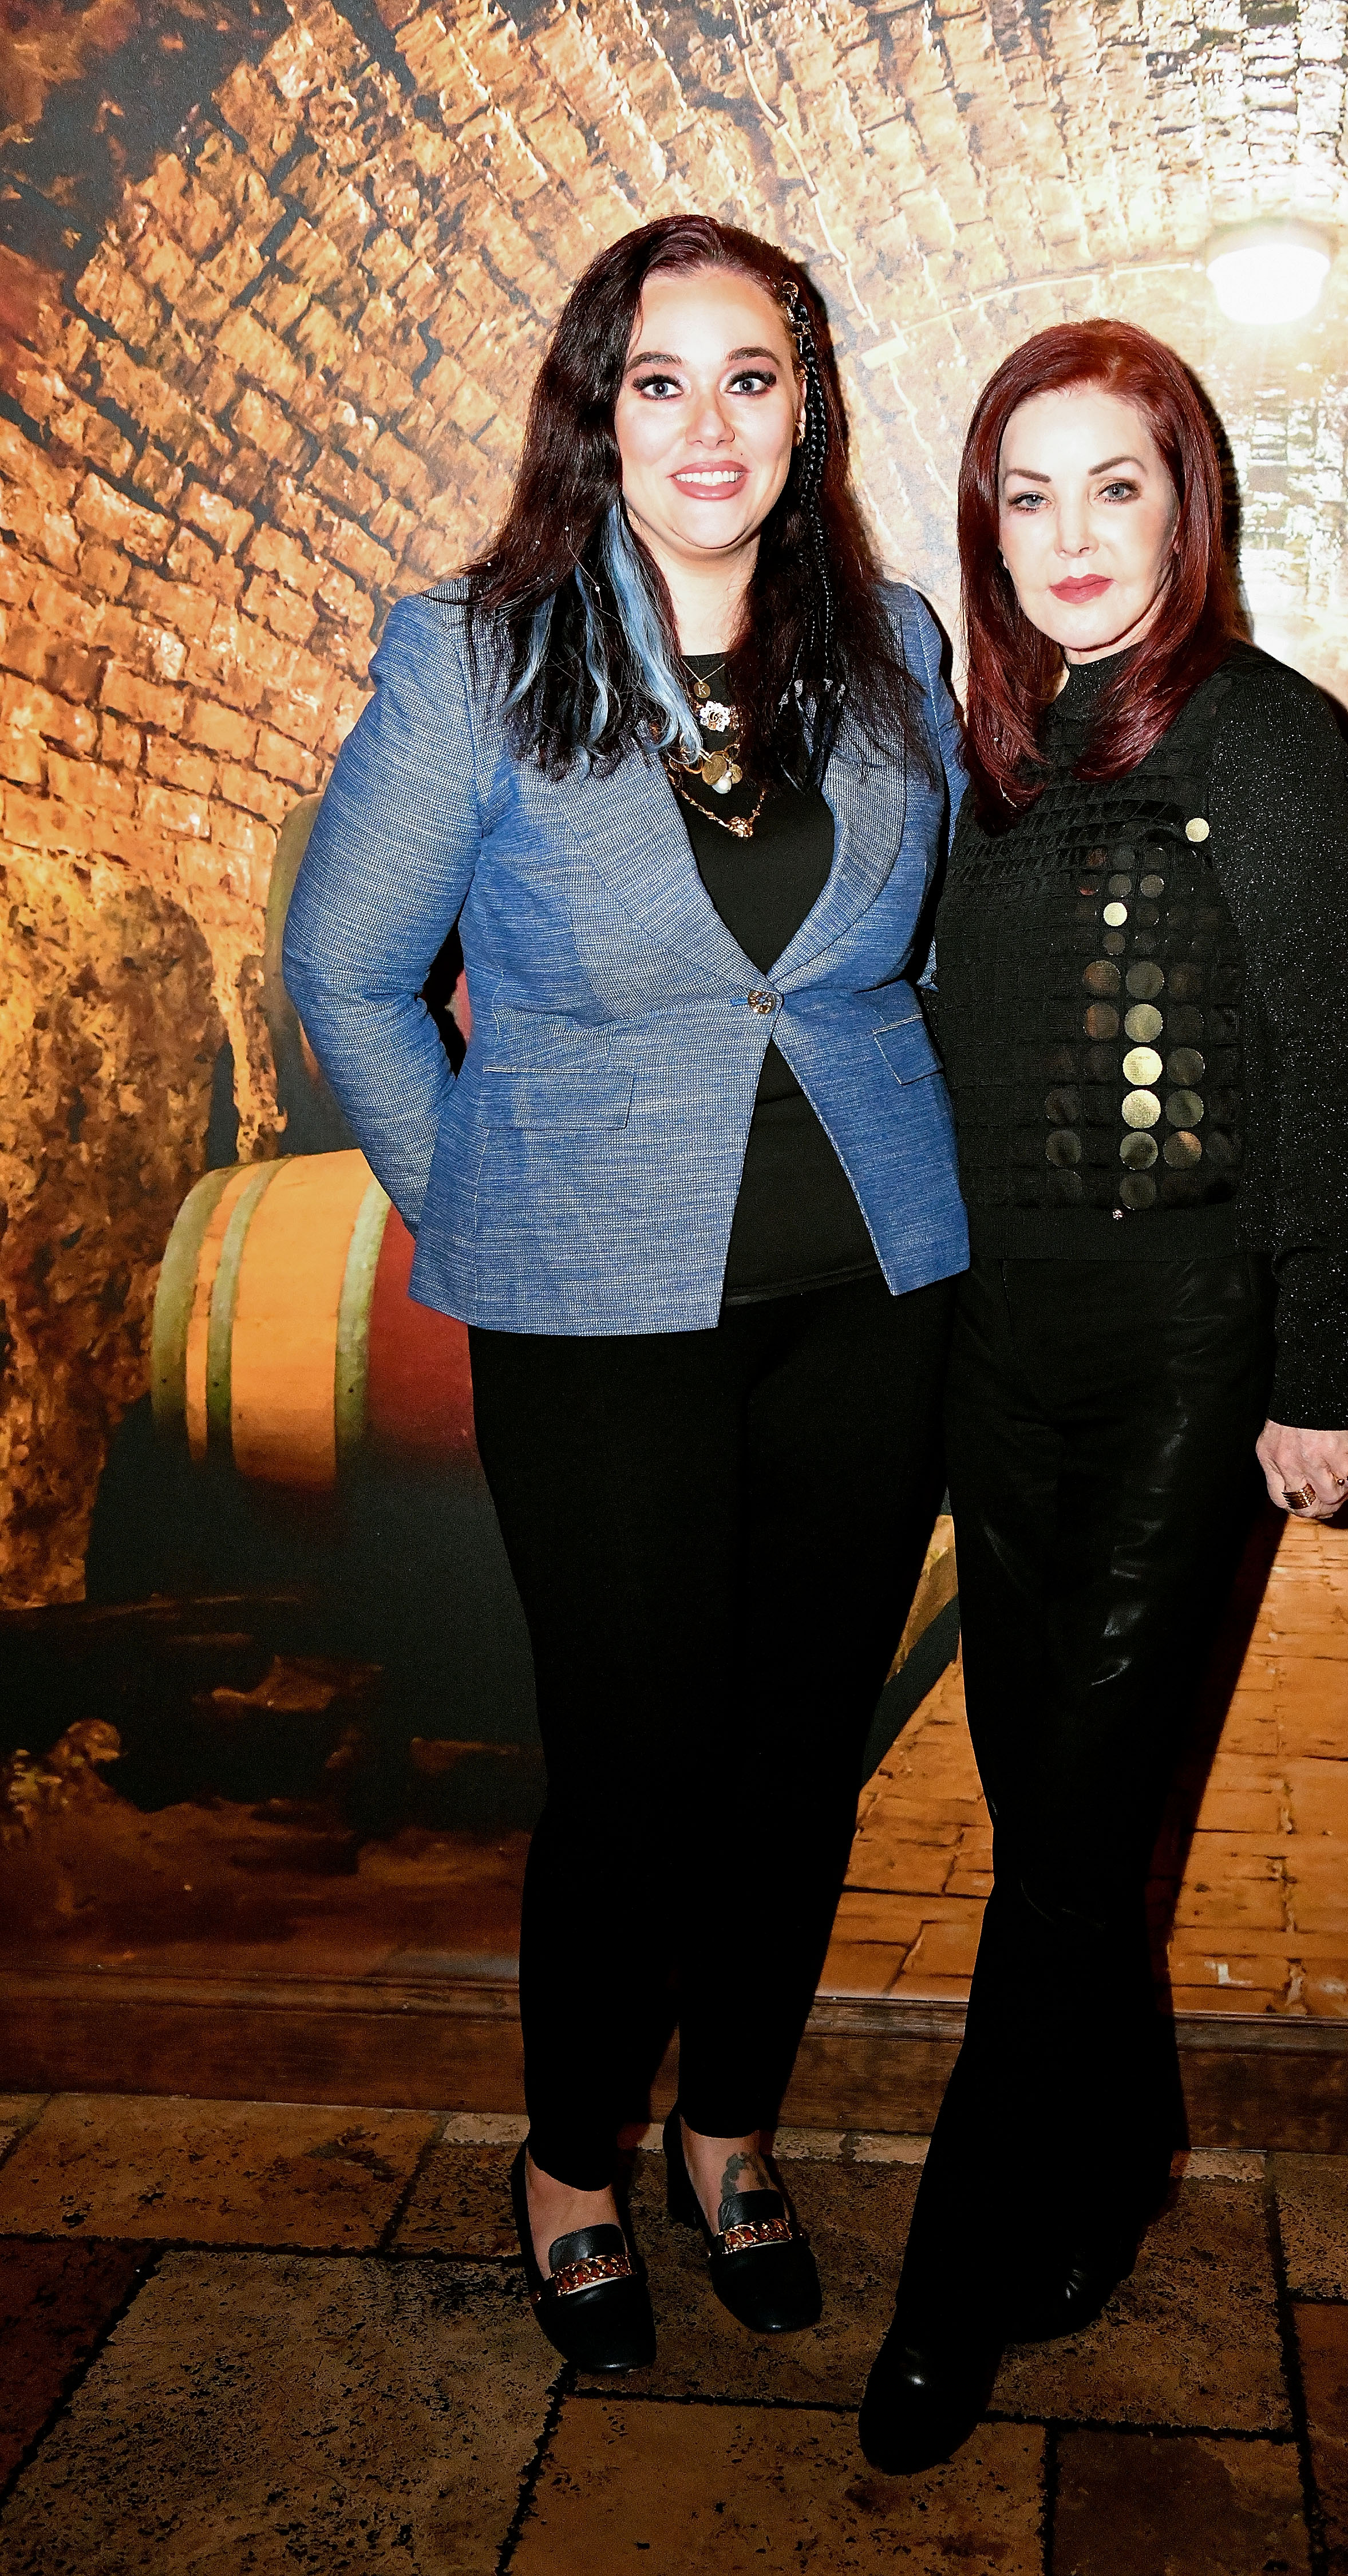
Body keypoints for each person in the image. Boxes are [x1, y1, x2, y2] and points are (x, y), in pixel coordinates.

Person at [284, 216, 967, 2373]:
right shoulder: (473, 656)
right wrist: (472, 1194)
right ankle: (573, 2153)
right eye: (655, 380)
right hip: (596, 1316)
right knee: (636, 1763)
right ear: (599, 410)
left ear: (807, 408)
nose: (707, 421)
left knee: (800, 1758)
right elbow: (347, 972)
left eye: (748, 376)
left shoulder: (896, 653)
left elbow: (911, 956)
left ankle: (732, 2129)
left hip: (870, 1292)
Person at [859, 319, 1348, 2472]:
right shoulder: (981, 764)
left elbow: (1343, 1069)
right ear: (991, 527)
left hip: (1185, 1358)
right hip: (1006, 1348)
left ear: (1190, 504)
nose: (1072, 537)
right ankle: (1129, 2140)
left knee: (1064, 1844)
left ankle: (957, 2272)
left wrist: (1316, 1372)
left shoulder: (1265, 739)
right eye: (1027, 494)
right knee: (1057, 1802)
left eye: (1117, 487)